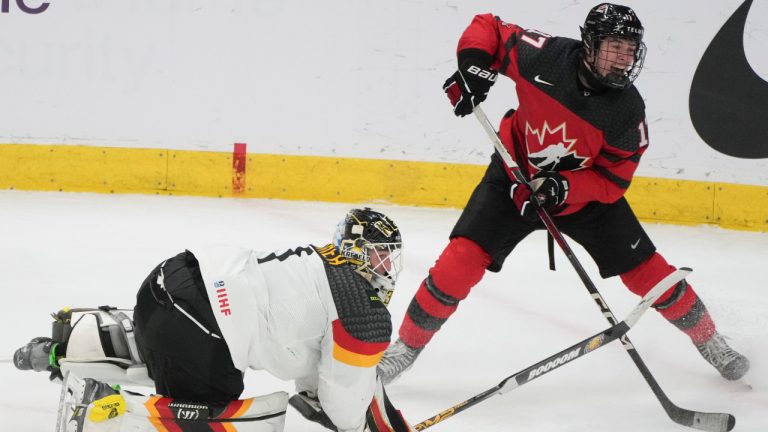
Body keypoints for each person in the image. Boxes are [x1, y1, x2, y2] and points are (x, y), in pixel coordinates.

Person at [377, 3, 750, 384]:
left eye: (630, 49)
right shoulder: (546, 57)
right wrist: (473, 68)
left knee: (648, 272)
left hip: (582, 197)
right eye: (614, 47)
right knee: (459, 262)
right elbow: (487, 28)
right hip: (514, 180)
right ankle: (406, 348)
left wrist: (565, 187)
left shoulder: (627, 111)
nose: (624, 58)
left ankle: (711, 341)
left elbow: (613, 180)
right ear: (589, 45)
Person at [14, 208, 412, 432]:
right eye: (381, 256)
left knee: (159, 350)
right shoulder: (364, 310)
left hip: (166, 281)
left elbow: (313, 357)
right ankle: (111, 414)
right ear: (359, 252)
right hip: (201, 330)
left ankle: (66, 349)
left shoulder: (317, 263)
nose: (386, 267)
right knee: (236, 419)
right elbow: (344, 403)